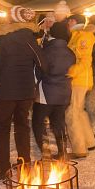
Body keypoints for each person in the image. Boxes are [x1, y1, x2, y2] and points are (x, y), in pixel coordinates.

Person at [0, 5, 42, 182]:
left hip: (5, 94)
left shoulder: (3, 40)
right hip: (25, 93)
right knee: (22, 128)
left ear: (11, 20)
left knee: (2, 129)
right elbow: (43, 63)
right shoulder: (31, 40)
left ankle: (3, 169)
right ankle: (24, 167)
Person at [33, 21, 74, 159]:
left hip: (46, 94)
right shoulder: (70, 52)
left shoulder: (47, 51)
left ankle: (46, 152)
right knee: (58, 123)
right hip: (64, 94)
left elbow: (39, 71)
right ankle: (63, 153)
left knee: (38, 123)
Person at [65, 14, 95, 159]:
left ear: (76, 22)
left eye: (70, 20)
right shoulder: (76, 35)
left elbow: (85, 60)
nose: (68, 23)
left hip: (79, 80)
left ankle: (79, 149)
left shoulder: (82, 37)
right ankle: (89, 142)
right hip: (79, 80)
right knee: (79, 111)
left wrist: (70, 72)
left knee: (71, 113)